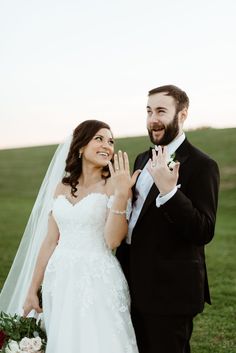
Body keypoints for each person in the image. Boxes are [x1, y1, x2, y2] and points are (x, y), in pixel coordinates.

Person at [1, 120, 140, 353]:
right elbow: (49, 241)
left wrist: (121, 193)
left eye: (111, 141)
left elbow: (113, 241)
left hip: (97, 279)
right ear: (80, 147)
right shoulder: (61, 188)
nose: (107, 145)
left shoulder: (113, 185)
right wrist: (32, 288)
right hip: (59, 279)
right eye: (99, 138)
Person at [116, 85, 220, 353]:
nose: (153, 119)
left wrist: (170, 193)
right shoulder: (141, 158)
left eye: (161, 111)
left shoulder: (202, 165)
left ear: (182, 115)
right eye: (149, 111)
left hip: (170, 293)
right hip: (131, 284)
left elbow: (203, 230)